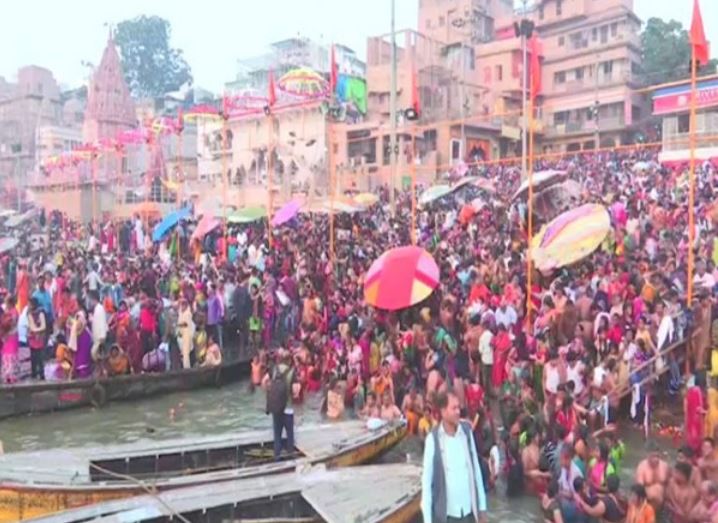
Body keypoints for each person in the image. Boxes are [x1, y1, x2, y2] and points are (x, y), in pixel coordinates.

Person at [421, 391, 488, 523]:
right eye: (454, 408)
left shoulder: (467, 433)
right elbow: (427, 484)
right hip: (447, 516)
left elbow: (476, 473)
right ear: (443, 411)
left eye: (459, 407)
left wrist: (482, 508)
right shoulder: (433, 439)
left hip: (469, 512)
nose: (458, 412)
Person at [264, 351, 295, 461]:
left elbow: (265, 383)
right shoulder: (292, 372)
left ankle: (277, 458)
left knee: (277, 435)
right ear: (289, 360)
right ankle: (290, 458)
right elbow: (296, 391)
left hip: (276, 407)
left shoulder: (273, 369)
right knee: (289, 434)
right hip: (288, 409)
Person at [635, 440, 669, 508]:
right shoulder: (641, 467)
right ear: (648, 455)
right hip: (648, 503)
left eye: (657, 456)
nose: (656, 459)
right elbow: (639, 489)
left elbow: (670, 485)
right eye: (653, 456)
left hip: (663, 503)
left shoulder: (665, 466)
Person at [27, 297, 47, 379]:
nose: (28, 305)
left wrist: (37, 330)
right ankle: (34, 374)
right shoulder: (29, 314)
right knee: (33, 358)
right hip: (33, 338)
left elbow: (44, 326)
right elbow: (32, 327)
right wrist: (38, 330)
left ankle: (42, 375)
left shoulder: (41, 313)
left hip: (39, 339)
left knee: (40, 358)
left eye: (29, 304)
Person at [89, 291, 107, 362]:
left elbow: (102, 322)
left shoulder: (100, 308)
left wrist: (102, 335)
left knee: (96, 353)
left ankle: (103, 370)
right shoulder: (96, 309)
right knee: (97, 355)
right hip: (96, 337)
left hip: (100, 336)